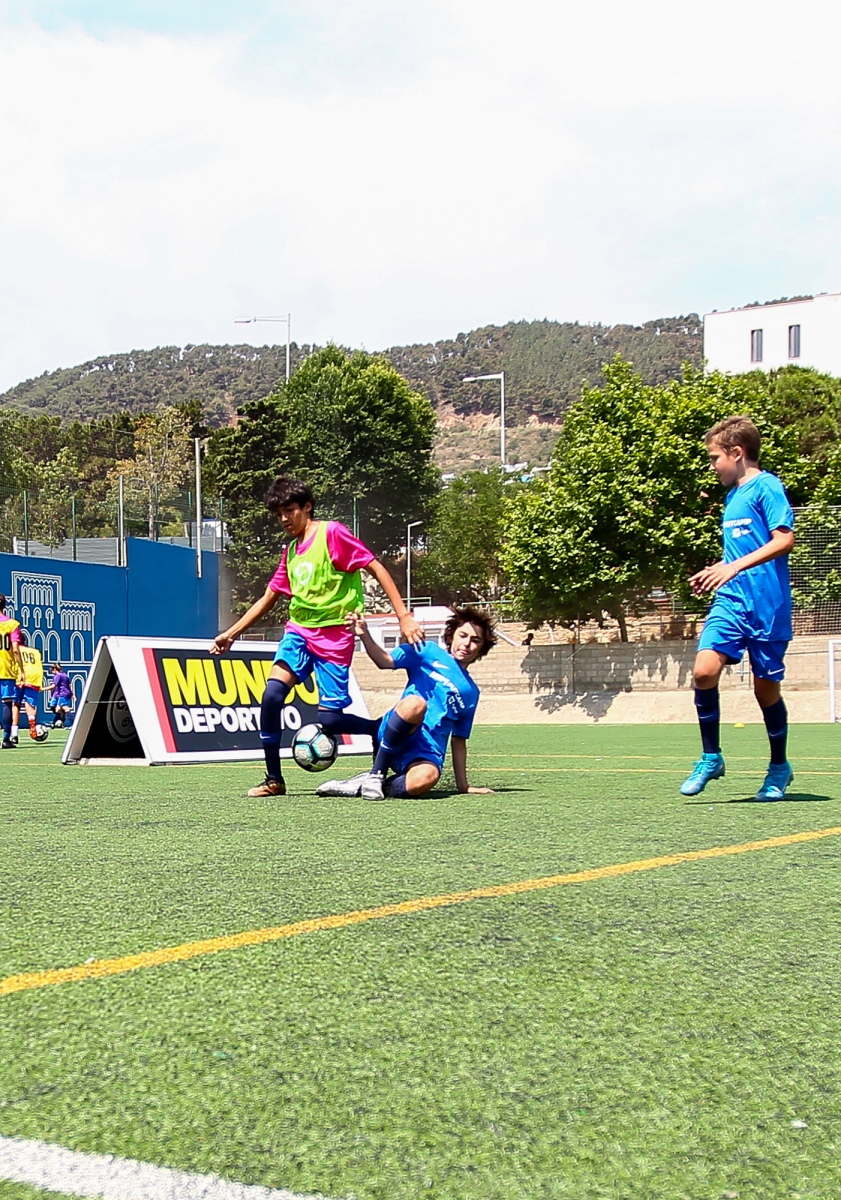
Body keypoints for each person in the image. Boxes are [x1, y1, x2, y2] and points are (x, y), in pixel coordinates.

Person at [211, 476, 423, 798]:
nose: (284, 519)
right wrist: (231, 634)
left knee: (331, 720)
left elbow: (375, 567)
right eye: (279, 514)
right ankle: (274, 780)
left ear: (307, 507)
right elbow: (268, 597)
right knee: (271, 697)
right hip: (299, 632)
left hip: (335, 636)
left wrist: (403, 616)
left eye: (290, 510)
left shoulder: (332, 534)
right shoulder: (290, 552)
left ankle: (375, 728)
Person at [680, 415, 795, 801]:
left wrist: (732, 567)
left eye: (715, 458)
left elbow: (783, 540)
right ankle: (711, 757)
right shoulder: (732, 498)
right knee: (703, 671)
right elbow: (742, 551)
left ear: (737, 453)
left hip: (768, 606)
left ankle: (779, 768)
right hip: (731, 602)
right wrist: (719, 569)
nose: (713, 466)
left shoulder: (768, 487)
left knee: (766, 691)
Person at [317, 605, 497, 801]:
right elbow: (384, 661)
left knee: (426, 778)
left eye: (475, 640)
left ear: (482, 648)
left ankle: (366, 784)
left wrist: (464, 786)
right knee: (416, 704)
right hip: (399, 731)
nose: (467, 643)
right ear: (452, 635)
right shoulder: (427, 651)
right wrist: (364, 635)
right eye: (463, 635)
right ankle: (377, 773)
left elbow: (459, 740)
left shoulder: (471, 693)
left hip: (426, 751)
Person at [10, 632, 47, 744]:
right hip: (33, 678)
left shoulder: (13, 650)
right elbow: (39, 667)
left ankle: (14, 734)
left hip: (19, 677)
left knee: (16, 704)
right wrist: (38, 683)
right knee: (30, 704)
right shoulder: (35, 652)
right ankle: (32, 724)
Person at [0, 593, 24, 751]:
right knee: (7, 703)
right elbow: (15, 649)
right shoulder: (12, 624)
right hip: (6, 669)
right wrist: (21, 669)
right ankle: (6, 738)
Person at [44, 663, 73, 727]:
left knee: (65, 708)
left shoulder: (58, 675)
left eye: (51, 670)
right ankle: (55, 723)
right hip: (64, 694)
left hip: (63, 693)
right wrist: (72, 694)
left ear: (54, 669)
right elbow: (69, 685)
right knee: (58, 709)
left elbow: (53, 686)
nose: (51, 672)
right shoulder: (65, 675)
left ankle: (73, 724)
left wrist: (43, 689)